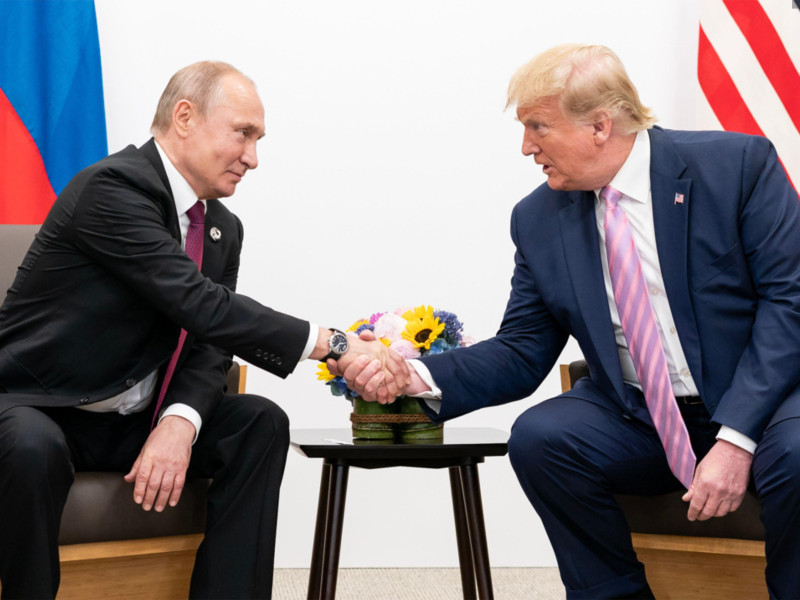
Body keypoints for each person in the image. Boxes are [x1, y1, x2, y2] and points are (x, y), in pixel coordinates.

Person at [337, 44, 800, 599]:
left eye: (538, 127)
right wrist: (417, 377)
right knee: (543, 438)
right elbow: (523, 348)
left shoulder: (736, 167)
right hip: (642, 416)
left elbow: (789, 303)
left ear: (600, 125)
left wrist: (737, 438)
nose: (527, 147)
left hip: (766, 406)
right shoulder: (538, 217)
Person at [0, 60, 408, 599]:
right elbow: (201, 305)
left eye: (259, 139)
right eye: (243, 133)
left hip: (132, 417)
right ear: (185, 117)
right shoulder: (111, 189)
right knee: (31, 447)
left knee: (258, 423)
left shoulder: (221, 228)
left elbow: (210, 343)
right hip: (39, 404)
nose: (254, 158)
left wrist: (180, 421)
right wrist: (334, 344)